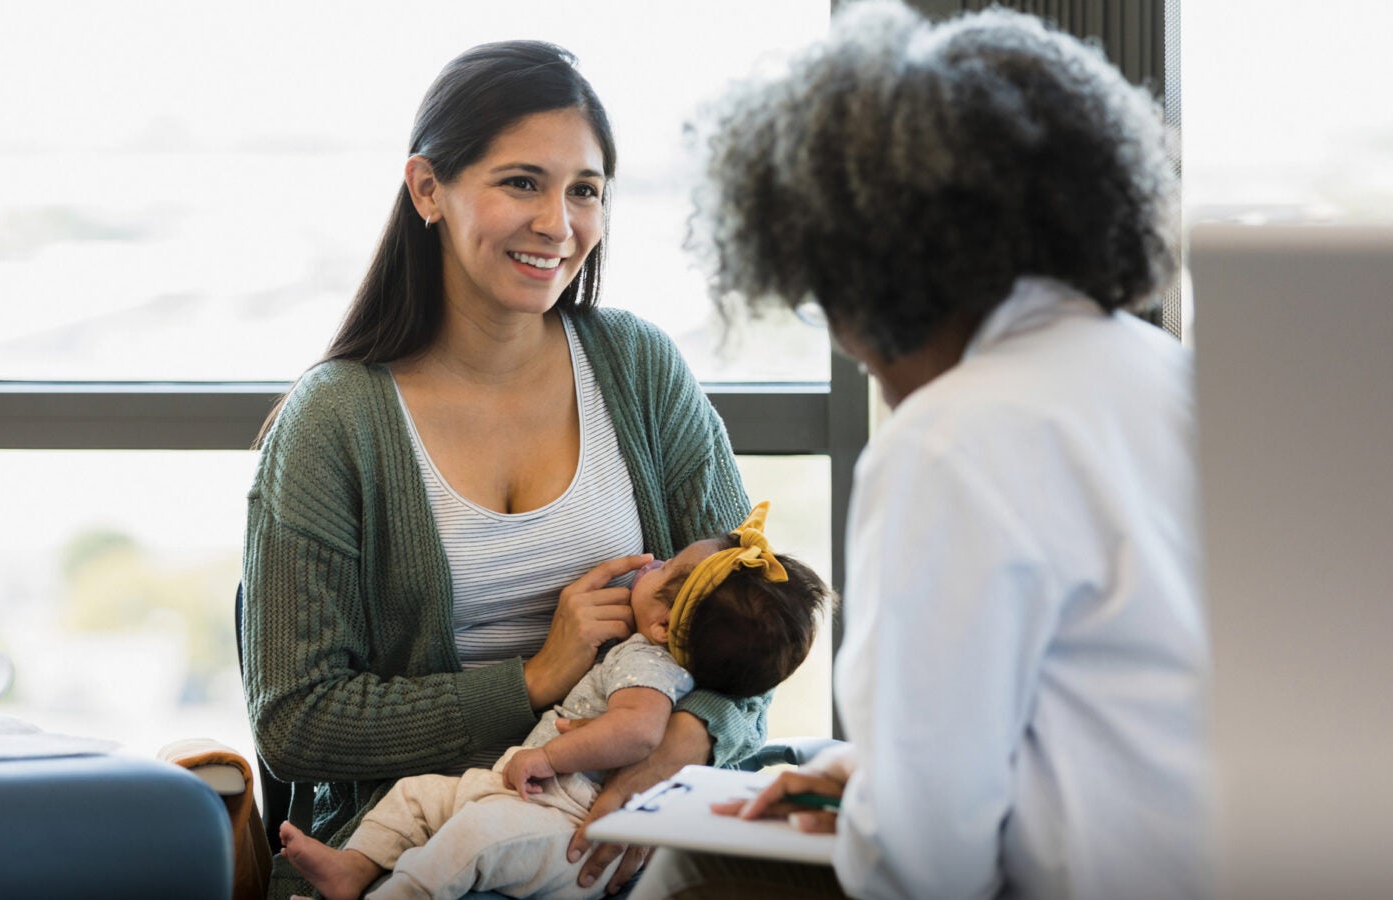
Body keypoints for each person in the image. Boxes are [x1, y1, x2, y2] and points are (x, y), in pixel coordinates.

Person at [634, 2, 1209, 899]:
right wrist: (873, 784)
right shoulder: (1166, 374)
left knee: (686, 863)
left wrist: (882, 812)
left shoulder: (948, 444)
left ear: (875, 273)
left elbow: (922, 865)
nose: (853, 347)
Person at [242, 40, 764, 899]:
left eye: (584, 190)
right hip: (420, 844)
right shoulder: (334, 422)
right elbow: (296, 722)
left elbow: (754, 615)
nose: (558, 224)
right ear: (427, 189)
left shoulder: (639, 368)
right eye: (522, 182)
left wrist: (679, 748)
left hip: (634, 822)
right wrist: (534, 680)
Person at [275, 503, 831, 900]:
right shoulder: (652, 652)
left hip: (566, 823)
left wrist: (557, 756)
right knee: (414, 798)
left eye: (664, 568)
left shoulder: (646, 665)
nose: (651, 562)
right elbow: (294, 723)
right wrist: (534, 679)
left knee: (466, 844)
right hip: (515, 794)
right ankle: (353, 868)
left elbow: (640, 731)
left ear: (663, 625)